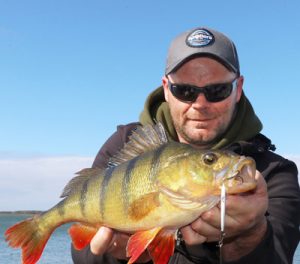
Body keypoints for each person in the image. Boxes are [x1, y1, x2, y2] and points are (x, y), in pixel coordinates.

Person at [72, 27, 300, 263]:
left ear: (238, 88)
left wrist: (248, 236)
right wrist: (113, 255)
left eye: (217, 90)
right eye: (185, 91)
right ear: (166, 89)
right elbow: (81, 252)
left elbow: (278, 255)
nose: (200, 104)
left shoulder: (273, 172)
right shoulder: (124, 143)